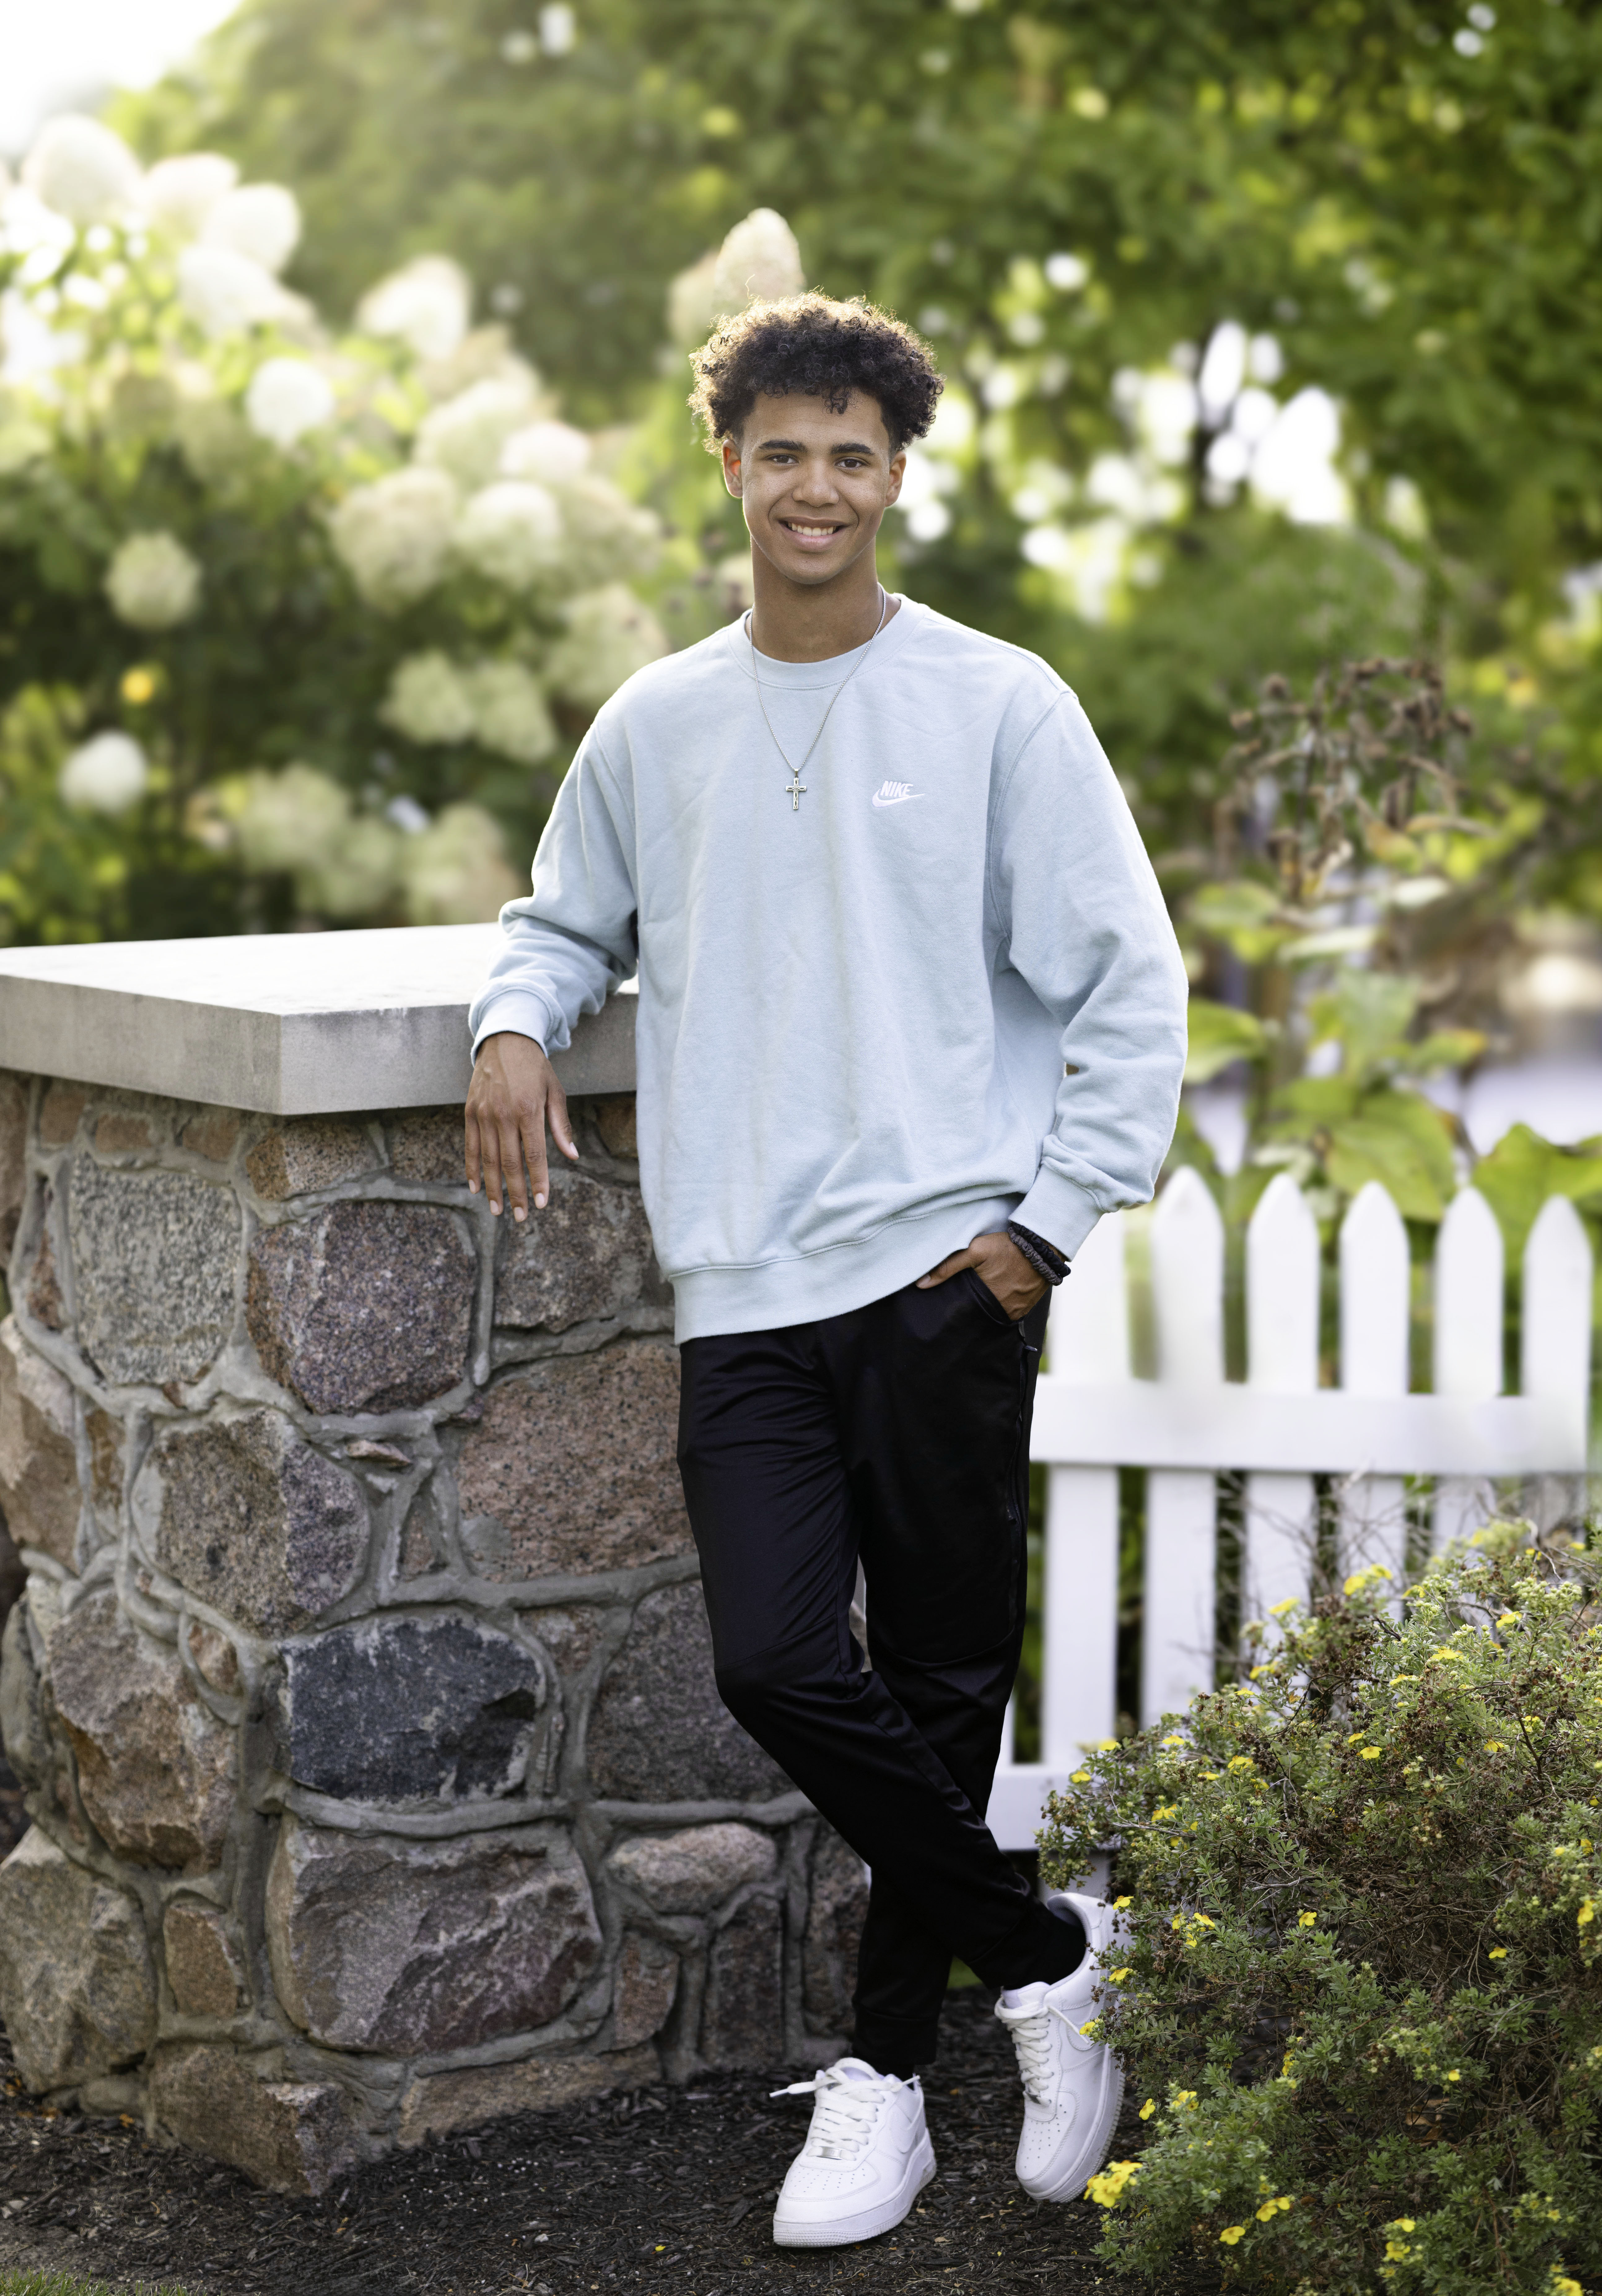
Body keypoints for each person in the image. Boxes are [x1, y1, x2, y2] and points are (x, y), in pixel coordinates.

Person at [465, 293, 1187, 2250]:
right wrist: (509, 1024)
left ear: (894, 477)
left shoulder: (997, 705)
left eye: (852, 455)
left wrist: (1042, 1230)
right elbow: (556, 917)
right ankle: (1048, 1955)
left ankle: (880, 2078)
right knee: (780, 1658)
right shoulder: (657, 720)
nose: (816, 485)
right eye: (781, 448)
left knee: (942, 1682)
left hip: (946, 1276)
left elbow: (1128, 983)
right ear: (731, 463)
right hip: (749, 1288)